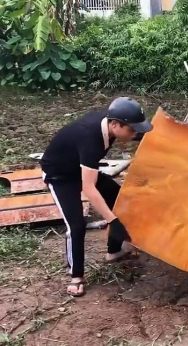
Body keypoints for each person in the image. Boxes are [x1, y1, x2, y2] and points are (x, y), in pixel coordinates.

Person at [40, 97, 153, 297]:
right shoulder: (91, 138)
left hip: (82, 168)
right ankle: (76, 277)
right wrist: (112, 220)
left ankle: (113, 251)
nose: (134, 134)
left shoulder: (110, 122)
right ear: (115, 124)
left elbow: (132, 132)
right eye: (132, 130)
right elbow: (89, 188)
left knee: (119, 199)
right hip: (60, 176)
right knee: (76, 225)